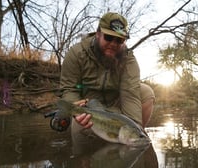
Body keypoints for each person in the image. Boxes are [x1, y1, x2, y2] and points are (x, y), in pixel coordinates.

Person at [60, 12, 155, 142]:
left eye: (119, 40)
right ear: (98, 34)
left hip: (116, 104)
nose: (113, 44)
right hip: (88, 107)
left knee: (145, 91)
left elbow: (130, 94)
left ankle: (134, 136)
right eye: (109, 37)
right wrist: (75, 109)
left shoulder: (129, 60)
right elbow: (69, 89)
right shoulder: (76, 53)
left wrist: (133, 130)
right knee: (81, 148)